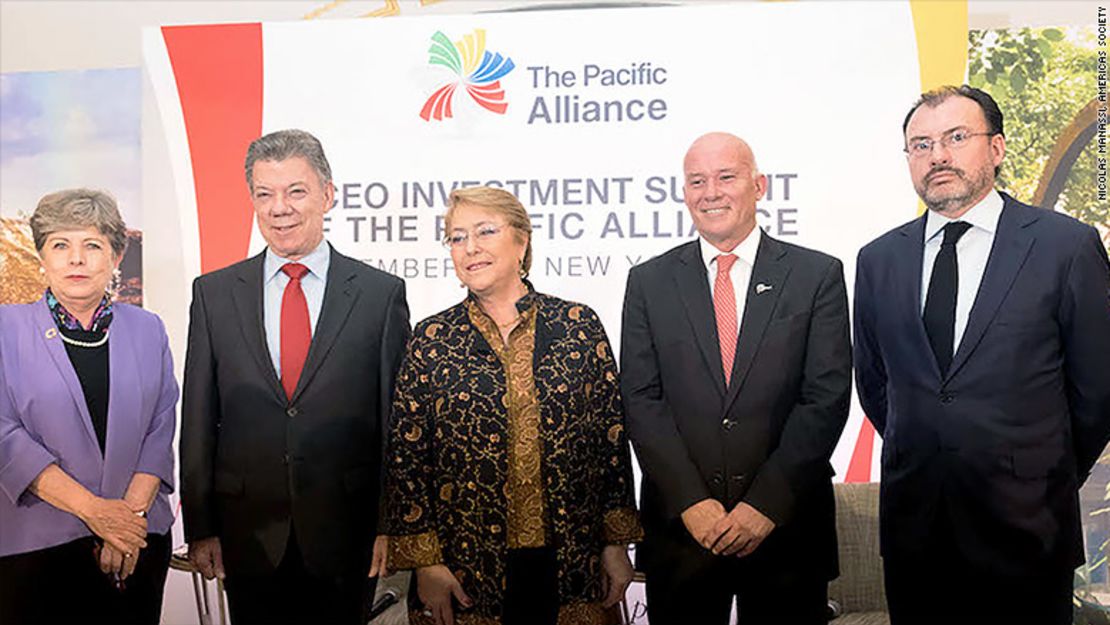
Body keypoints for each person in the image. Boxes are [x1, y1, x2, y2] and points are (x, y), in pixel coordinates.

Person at [854, 84, 1110, 625]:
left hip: (1028, 531)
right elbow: (876, 384)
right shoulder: (878, 259)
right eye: (920, 145)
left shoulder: (1066, 246)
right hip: (916, 531)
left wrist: (1041, 471)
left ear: (995, 149)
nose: (938, 155)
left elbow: (1097, 391)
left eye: (956, 137)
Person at [180, 129, 411, 625]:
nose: (279, 207)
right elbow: (198, 416)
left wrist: (391, 525)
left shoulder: (379, 295)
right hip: (247, 536)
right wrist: (202, 527)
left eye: (296, 191)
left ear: (329, 194)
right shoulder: (214, 294)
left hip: (349, 534)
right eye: (265, 194)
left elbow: (396, 424)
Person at [620, 132, 851, 625]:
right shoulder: (649, 282)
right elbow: (641, 400)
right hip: (682, 532)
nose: (711, 192)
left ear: (759, 185)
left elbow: (825, 398)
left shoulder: (817, 275)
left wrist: (765, 505)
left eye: (726, 177)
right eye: (696, 181)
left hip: (786, 528)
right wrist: (693, 503)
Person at [384, 186, 642, 625]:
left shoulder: (578, 327)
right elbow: (408, 460)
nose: (471, 248)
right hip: (464, 570)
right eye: (457, 237)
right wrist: (426, 563)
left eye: (485, 231)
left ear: (522, 241)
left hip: (573, 562)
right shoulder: (431, 340)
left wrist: (614, 544)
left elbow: (610, 444)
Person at [0, 188, 177, 624]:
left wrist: (127, 524)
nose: (76, 259)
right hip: (37, 547)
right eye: (60, 245)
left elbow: (160, 429)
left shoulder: (148, 329)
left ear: (116, 257)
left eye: (92, 245)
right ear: (41, 255)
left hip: (138, 545)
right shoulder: (5, 328)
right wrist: (97, 513)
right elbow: (4, 436)